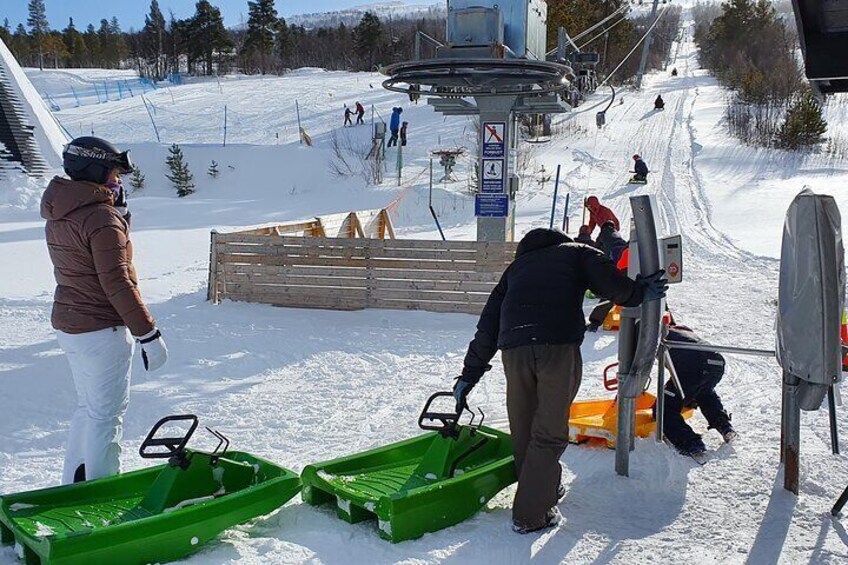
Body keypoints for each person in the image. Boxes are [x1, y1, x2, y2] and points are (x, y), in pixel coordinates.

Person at [453, 228, 668, 534]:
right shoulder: (577, 252)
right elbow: (607, 281)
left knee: (525, 429)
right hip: (556, 347)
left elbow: (487, 325)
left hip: (514, 352)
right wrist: (637, 292)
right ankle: (530, 516)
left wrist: (469, 374)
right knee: (550, 432)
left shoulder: (516, 270)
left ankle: (544, 491)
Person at [42, 137, 169, 485]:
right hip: (102, 330)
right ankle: (101, 496)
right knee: (106, 418)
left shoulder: (63, 208)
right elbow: (117, 281)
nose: (118, 180)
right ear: (96, 171)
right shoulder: (100, 218)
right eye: (113, 173)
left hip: (71, 324)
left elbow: (95, 253)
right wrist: (148, 333)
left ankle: (74, 485)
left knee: (89, 409)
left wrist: (121, 216)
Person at [657, 323, 737, 457]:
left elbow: (641, 369)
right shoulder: (684, 333)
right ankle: (724, 426)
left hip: (692, 365)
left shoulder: (658, 337)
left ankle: (691, 443)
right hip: (716, 362)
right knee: (703, 392)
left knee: (663, 407)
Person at [586, 221, 630, 332]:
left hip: (620, 264)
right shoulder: (618, 236)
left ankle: (594, 323)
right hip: (626, 259)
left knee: (611, 292)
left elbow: (595, 249)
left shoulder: (603, 235)